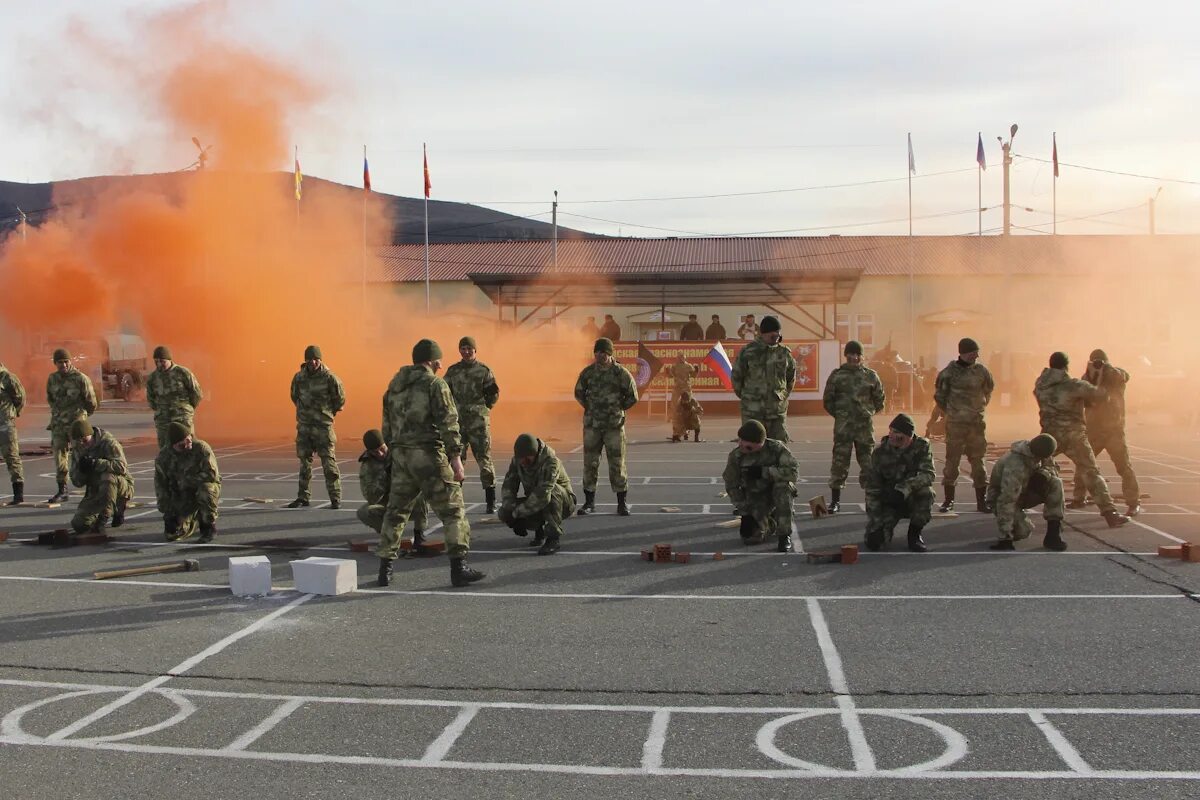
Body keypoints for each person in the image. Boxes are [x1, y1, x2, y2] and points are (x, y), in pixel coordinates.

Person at [378, 339, 483, 588]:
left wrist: (394, 453)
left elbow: (386, 425)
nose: (441, 363)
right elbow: (448, 423)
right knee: (453, 511)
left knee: (395, 513)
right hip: (428, 456)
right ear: (432, 360)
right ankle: (459, 568)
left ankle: (385, 569)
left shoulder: (394, 385)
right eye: (439, 359)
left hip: (402, 457)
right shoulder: (436, 384)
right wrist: (456, 459)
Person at [1033, 352, 1128, 528]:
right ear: (1066, 366)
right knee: (1091, 472)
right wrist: (1097, 375)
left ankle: (1016, 506)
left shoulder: (1040, 384)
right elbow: (1101, 395)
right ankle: (1110, 513)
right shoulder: (1073, 386)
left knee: (1039, 471)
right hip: (1074, 435)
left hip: (1049, 435)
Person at [573, 337, 639, 516]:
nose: (600, 355)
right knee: (590, 464)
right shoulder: (588, 373)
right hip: (592, 426)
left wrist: (619, 409)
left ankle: (621, 503)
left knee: (617, 464)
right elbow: (578, 392)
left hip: (613, 427)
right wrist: (590, 407)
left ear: (610, 353)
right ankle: (589, 502)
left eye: (604, 352)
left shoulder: (620, 373)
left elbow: (633, 396)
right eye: (598, 352)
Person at [822, 340, 885, 512]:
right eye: (851, 354)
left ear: (862, 356)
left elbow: (880, 400)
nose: (854, 357)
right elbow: (828, 400)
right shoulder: (837, 376)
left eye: (857, 354)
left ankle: (871, 500)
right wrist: (842, 415)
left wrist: (866, 412)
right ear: (846, 355)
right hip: (844, 429)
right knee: (839, 464)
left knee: (869, 465)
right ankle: (835, 502)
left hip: (864, 428)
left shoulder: (871, 376)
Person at [934, 337, 995, 513]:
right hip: (955, 425)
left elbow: (989, 390)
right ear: (962, 353)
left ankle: (981, 502)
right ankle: (948, 500)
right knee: (952, 463)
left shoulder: (982, 371)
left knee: (978, 463)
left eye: (976, 353)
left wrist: (978, 408)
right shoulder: (948, 373)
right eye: (972, 353)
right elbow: (940, 396)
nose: (975, 356)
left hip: (976, 425)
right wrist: (953, 412)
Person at [1077, 349, 1141, 516]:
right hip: (1094, 430)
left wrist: (1105, 368)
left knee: (1124, 467)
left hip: (1113, 430)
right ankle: (1078, 497)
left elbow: (1124, 376)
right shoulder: (1087, 377)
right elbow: (1083, 393)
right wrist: (1092, 373)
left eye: (1099, 361)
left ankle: (1133, 501)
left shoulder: (1115, 375)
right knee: (1084, 464)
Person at [721, 420, 798, 553]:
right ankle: (771, 522)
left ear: (759, 443)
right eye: (740, 441)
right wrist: (744, 512)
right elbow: (731, 484)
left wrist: (765, 472)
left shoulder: (776, 449)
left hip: (776, 493)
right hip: (755, 497)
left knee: (783, 487)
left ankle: (784, 535)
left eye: (746, 444)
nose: (741, 445)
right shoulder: (736, 456)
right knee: (750, 538)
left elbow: (793, 473)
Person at [444, 336, 500, 513]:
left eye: (469, 348)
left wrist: (483, 409)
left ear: (475, 350)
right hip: (458, 422)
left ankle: (490, 501)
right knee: (457, 459)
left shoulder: (484, 371)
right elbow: (445, 392)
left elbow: (493, 394)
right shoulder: (453, 371)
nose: (466, 352)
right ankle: (456, 499)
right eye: (463, 348)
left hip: (478, 423)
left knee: (484, 459)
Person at [863, 414, 935, 552]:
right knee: (875, 543)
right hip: (890, 501)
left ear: (908, 436)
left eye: (896, 432)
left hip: (912, 497)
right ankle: (882, 531)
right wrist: (876, 523)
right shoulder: (880, 453)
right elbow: (872, 490)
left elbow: (929, 474)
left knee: (927, 493)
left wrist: (904, 488)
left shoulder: (922, 447)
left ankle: (914, 535)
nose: (891, 435)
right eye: (890, 431)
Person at [287, 345, 346, 509]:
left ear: (320, 359)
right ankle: (303, 497)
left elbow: (340, 399)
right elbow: (294, 396)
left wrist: (327, 413)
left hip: (323, 427)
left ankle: (335, 498)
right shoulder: (299, 378)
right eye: (309, 359)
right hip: (305, 426)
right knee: (304, 463)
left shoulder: (329, 378)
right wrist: (305, 412)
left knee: (329, 463)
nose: (312, 362)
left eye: (315, 359)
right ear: (305, 360)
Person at [498, 433, 576, 555]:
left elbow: (542, 494)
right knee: (504, 512)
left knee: (551, 491)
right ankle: (539, 531)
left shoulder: (551, 462)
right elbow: (509, 485)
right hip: (535, 501)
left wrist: (518, 513)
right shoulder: (518, 461)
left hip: (563, 503)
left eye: (526, 458)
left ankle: (553, 538)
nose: (522, 461)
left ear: (535, 453)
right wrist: (512, 515)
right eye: (520, 458)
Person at [986, 433, 1066, 551]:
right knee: (1023, 532)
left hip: (1026, 491)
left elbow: (1053, 467)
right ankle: (1011, 531)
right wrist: (1005, 536)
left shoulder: (1041, 451)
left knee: (1056, 483)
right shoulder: (1015, 464)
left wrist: (1044, 474)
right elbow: (1006, 500)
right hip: (1002, 497)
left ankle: (1053, 535)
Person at [355, 429, 427, 543]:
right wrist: (383, 475)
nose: (380, 454)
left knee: (421, 494)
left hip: (406, 499)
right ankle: (389, 534)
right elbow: (371, 498)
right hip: (387, 504)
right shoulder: (367, 467)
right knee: (364, 512)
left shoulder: (399, 451)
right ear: (369, 452)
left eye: (382, 449)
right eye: (375, 452)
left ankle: (419, 533)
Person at [732, 315, 796, 443]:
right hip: (752, 412)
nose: (776, 338)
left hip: (776, 412)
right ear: (764, 334)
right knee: (752, 448)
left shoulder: (784, 353)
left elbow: (790, 378)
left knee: (779, 448)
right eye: (773, 335)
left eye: (778, 335)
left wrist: (781, 396)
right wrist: (748, 397)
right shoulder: (749, 352)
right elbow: (737, 377)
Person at [154, 422, 221, 543]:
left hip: (201, 488)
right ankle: (191, 519)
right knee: (172, 534)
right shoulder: (164, 458)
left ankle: (208, 526)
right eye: (182, 445)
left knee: (206, 490)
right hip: (181, 495)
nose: (187, 445)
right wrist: (167, 511)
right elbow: (161, 485)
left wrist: (187, 480)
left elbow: (212, 475)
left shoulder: (201, 448)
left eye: (188, 440)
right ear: (172, 445)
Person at [46, 348, 97, 503]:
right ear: (55, 363)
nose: (64, 365)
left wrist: (82, 419)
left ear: (71, 361)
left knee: (82, 456)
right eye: (60, 362)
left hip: (76, 424)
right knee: (59, 456)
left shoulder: (81, 378)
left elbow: (91, 402)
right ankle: (62, 490)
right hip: (59, 423)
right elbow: (50, 399)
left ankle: (91, 488)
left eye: (66, 361)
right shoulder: (52, 379)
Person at [67, 419, 134, 535]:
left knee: (107, 477)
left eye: (84, 440)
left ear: (91, 435)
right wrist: (82, 471)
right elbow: (77, 482)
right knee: (79, 525)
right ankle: (105, 510)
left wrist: (96, 463)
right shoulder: (78, 450)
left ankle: (107, 515)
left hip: (119, 485)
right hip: (96, 489)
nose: (82, 443)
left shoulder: (108, 442)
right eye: (79, 441)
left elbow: (121, 467)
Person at [145, 345, 203, 451]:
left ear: (169, 360)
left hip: (182, 417)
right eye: (156, 361)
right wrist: (161, 410)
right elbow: (151, 399)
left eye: (162, 361)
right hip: (163, 420)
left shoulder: (183, 373)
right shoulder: (152, 378)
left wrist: (186, 408)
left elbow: (196, 393)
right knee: (165, 448)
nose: (159, 364)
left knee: (189, 446)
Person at [0, 359, 26, 506]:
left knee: (11, 457)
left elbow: (20, 398)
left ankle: (18, 494)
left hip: (5, 423)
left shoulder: (8, 378)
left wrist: (11, 414)